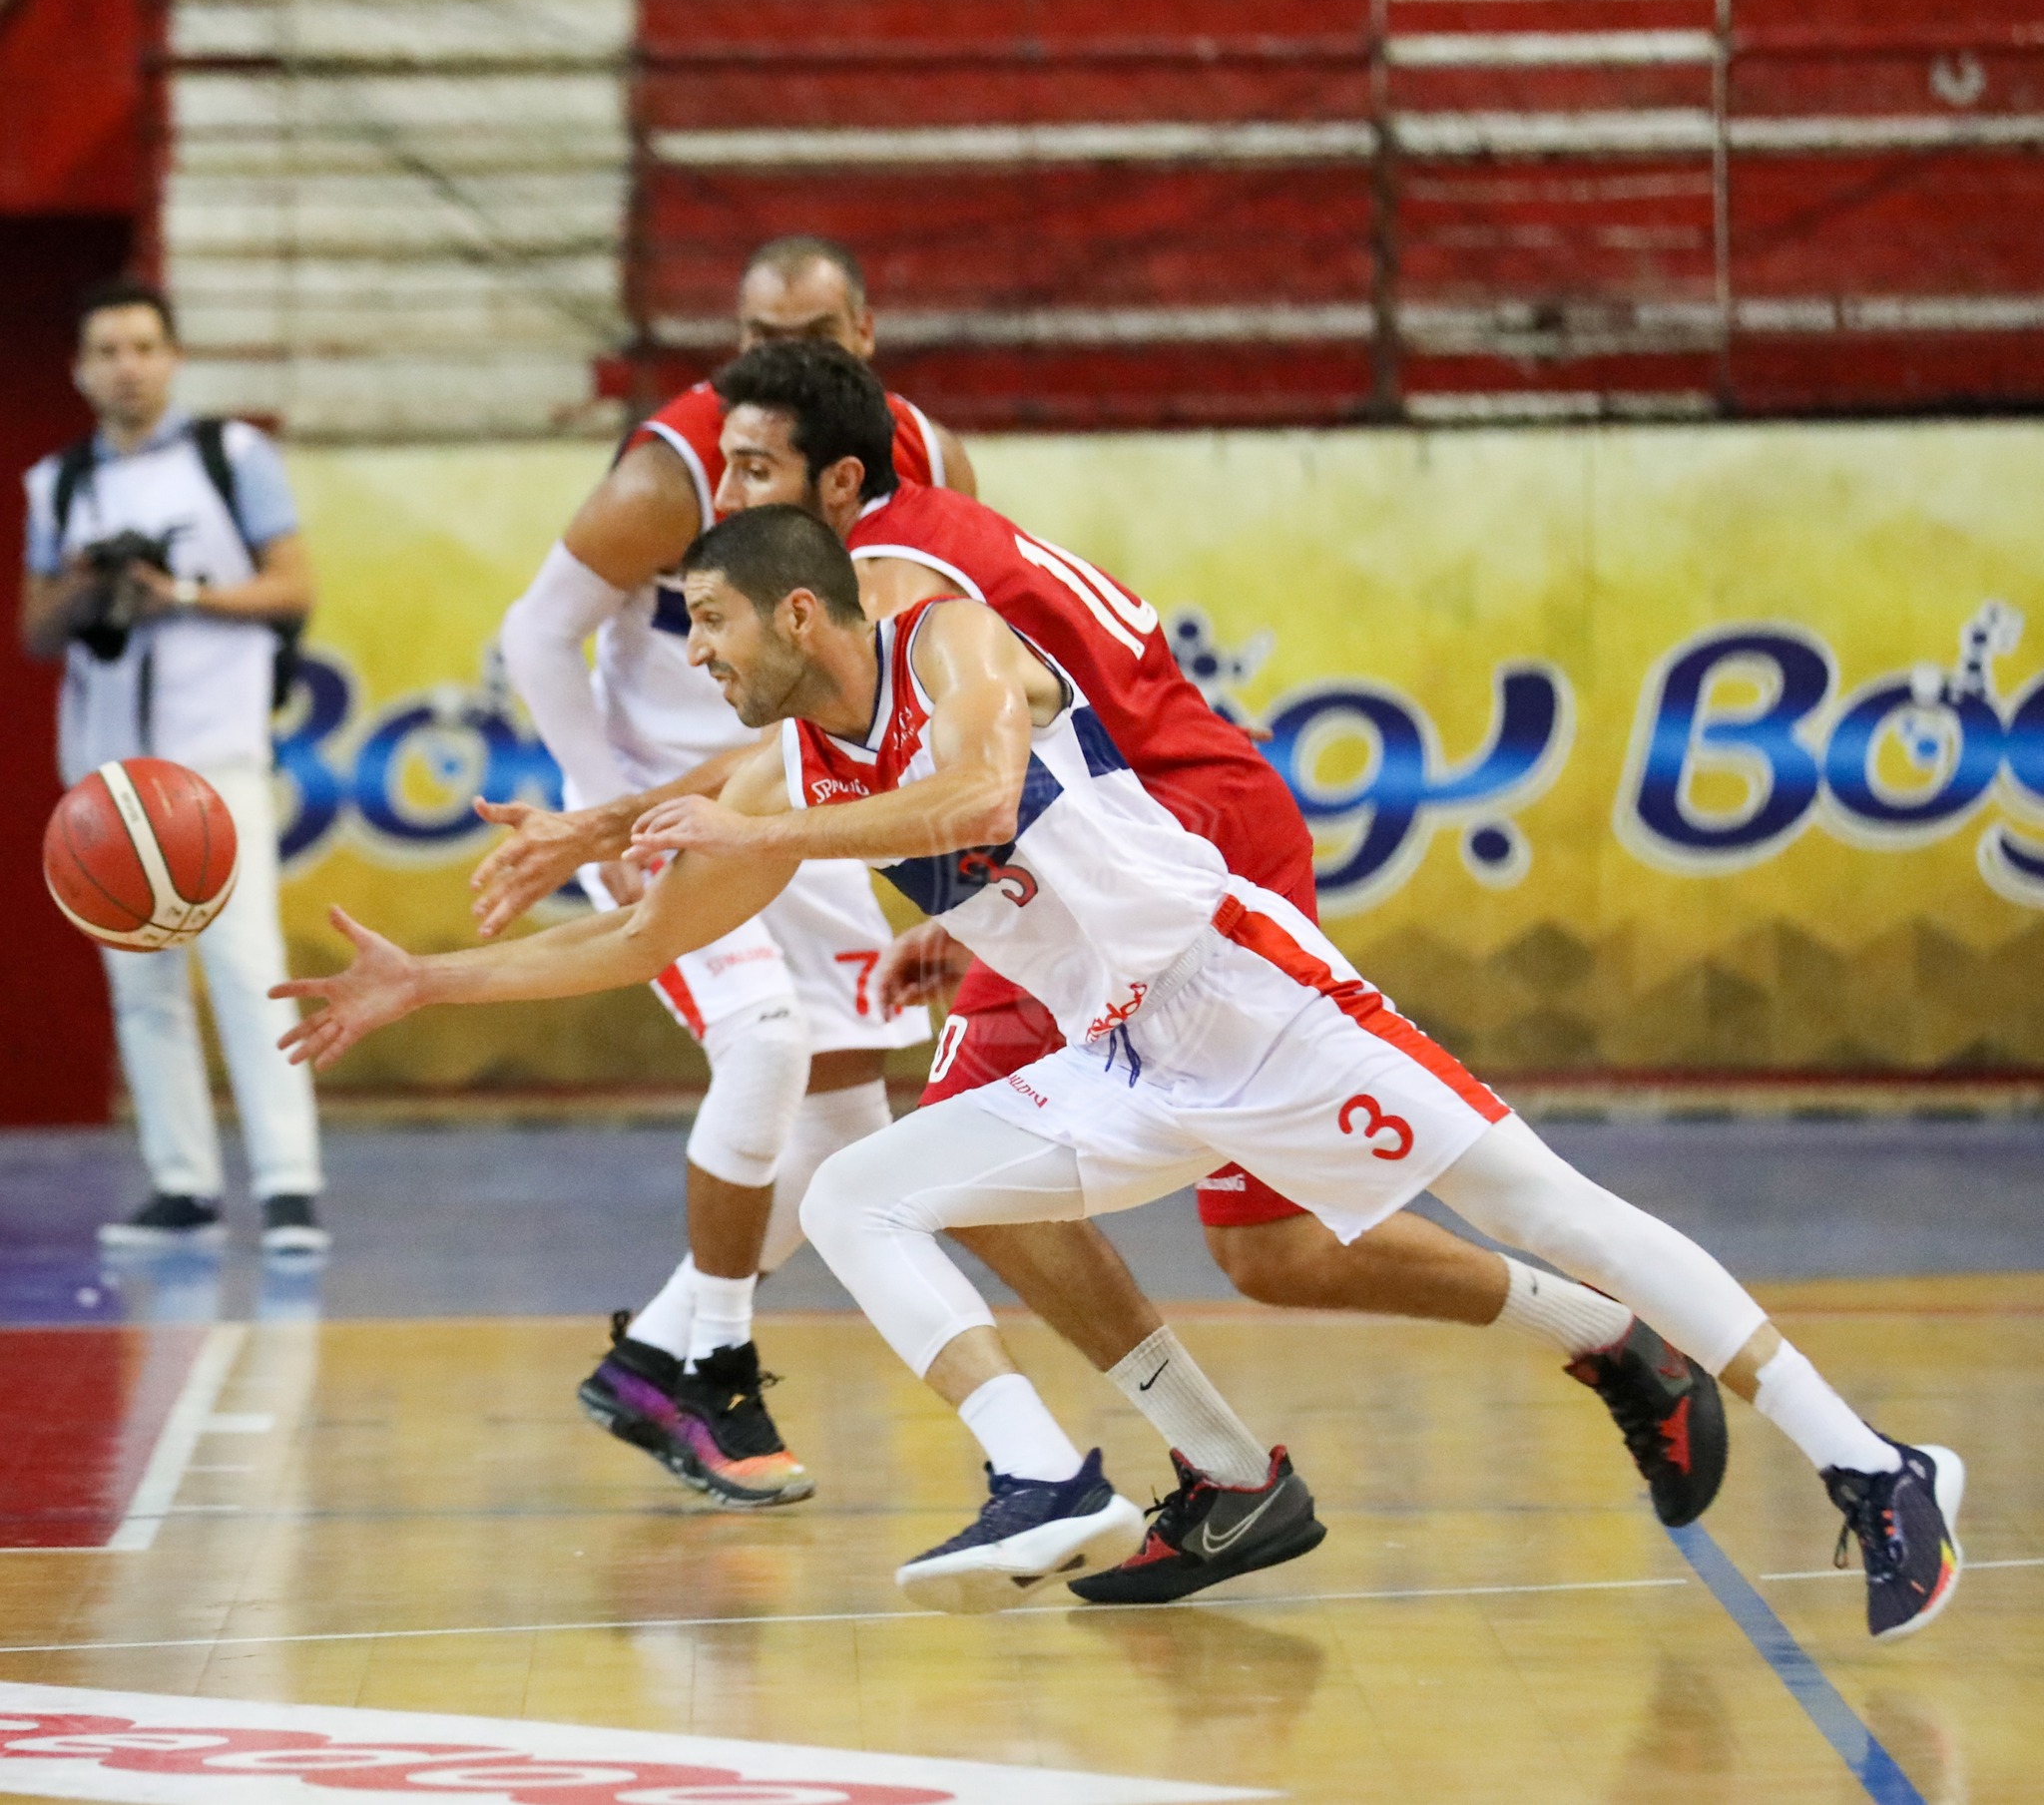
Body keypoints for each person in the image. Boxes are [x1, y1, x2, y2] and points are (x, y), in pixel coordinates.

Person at [276, 506, 1963, 1640]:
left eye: (707, 622)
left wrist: (759, 827)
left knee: (1550, 1205)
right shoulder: (787, 754)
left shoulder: (940, 631)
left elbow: (972, 796)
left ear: (799, 605)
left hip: (1255, 997)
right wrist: (428, 981)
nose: (694, 652)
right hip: (1127, 1060)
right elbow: (636, 941)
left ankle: (1872, 1462)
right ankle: (1041, 1466)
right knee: (864, 1183)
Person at [486, 341, 1731, 1601]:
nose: (728, 491)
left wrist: (616, 828)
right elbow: (869, 765)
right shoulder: (909, 530)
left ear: (841, 476)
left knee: (1267, 1252)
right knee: (967, 1175)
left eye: (754, 465)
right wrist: (973, 902)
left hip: (1178, 855)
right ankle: (1224, 1469)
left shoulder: (890, 569)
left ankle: (1611, 1343)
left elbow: (904, 778)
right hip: (1072, 868)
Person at [491, 235, 944, 1507]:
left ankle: (651, 1355)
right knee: (760, 1043)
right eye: (752, 334)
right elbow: (536, 636)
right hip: (661, 809)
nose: (776, 358)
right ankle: (716, 1370)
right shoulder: (680, 465)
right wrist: (598, 809)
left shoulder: (924, 458)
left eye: (806, 331)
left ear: (865, 328)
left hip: (798, 804)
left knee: (852, 1126)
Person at [19, 278, 325, 1254]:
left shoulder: (227, 456)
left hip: (212, 761)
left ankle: (288, 1187)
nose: (126, 366)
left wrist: (180, 591)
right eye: (106, 350)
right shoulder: (56, 485)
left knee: (245, 965)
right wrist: (86, 586)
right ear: (81, 369)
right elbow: (33, 632)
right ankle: (181, 1184)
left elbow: (292, 587)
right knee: (140, 985)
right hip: (106, 776)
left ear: (172, 356)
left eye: (142, 347)